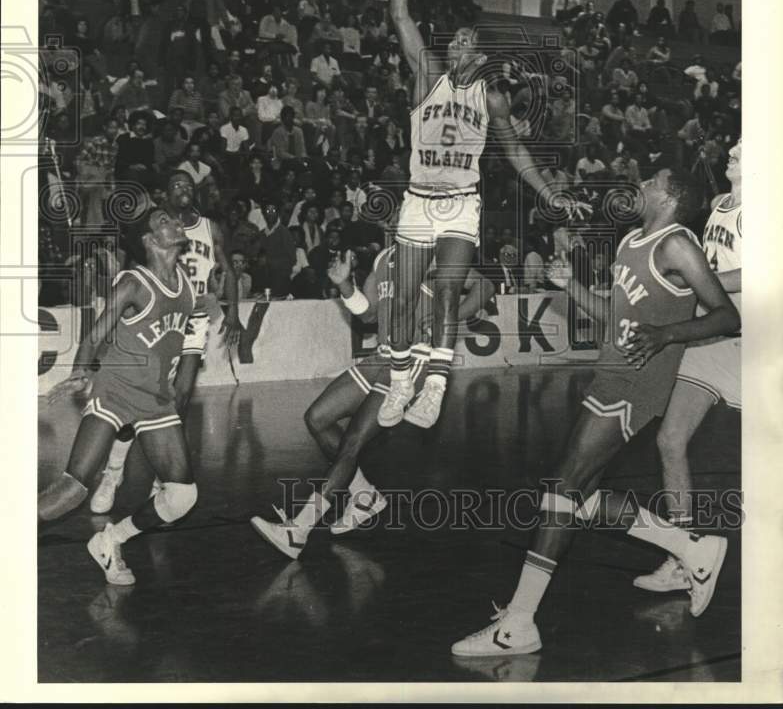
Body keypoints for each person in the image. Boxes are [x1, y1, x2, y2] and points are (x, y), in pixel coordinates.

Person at [452, 167, 741, 657]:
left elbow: (725, 314)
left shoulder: (678, 245)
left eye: (652, 181)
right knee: (578, 495)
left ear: (670, 198)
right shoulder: (633, 240)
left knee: (564, 488)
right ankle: (694, 547)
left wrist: (666, 335)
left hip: (638, 381)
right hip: (610, 373)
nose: (642, 185)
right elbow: (616, 315)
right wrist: (568, 286)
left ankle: (519, 624)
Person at [381, 0, 556, 431]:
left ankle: (433, 386)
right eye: (452, 40)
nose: (452, 44)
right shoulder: (426, 77)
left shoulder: (492, 99)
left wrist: (547, 192)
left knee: (450, 292)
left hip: (461, 204)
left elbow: (515, 152)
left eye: (461, 41)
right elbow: (398, 16)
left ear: (477, 52)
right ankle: (398, 383)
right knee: (404, 295)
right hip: (417, 199)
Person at [249, 247, 494, 557]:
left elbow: (485, 285)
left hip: (415, 359)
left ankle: (299, 530)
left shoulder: (433, 256)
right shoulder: (382, 259)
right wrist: (344, 285)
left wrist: (449, 316)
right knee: (318, 418)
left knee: (352, 441)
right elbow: (368, 313)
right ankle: (364, 496)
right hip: (382, 356)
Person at [38, 207, 199, 585]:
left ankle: (110, 540)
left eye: (174, 219)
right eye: (164, 221)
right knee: (73, 488)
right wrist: (80, 371)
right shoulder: (134, 282)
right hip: (116, 391)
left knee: (181, 497)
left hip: (155, 399)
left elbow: (183, 345)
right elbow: (94, 336)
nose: (175, 223)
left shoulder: (188, 285)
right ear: (148, 240)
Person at [90, 171, 241, 514]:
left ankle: (165, 477)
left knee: (182, 394)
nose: (184, 188)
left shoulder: (210, 228)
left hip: (196, 315)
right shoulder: (155, 228)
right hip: (157, 315)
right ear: (165, 195)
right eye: (176, 184)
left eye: (188, 183)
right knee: (140, 396)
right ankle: (113, 471)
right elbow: (133, 269)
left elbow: (228, 269)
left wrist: (233, 314)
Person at [634, 141, 742, 593]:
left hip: (758, 345)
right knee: (670, 440)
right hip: (713, 339)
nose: (734, 149)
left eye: (743, 149)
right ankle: (684, 554)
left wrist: (697, 283)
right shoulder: (720, 205)